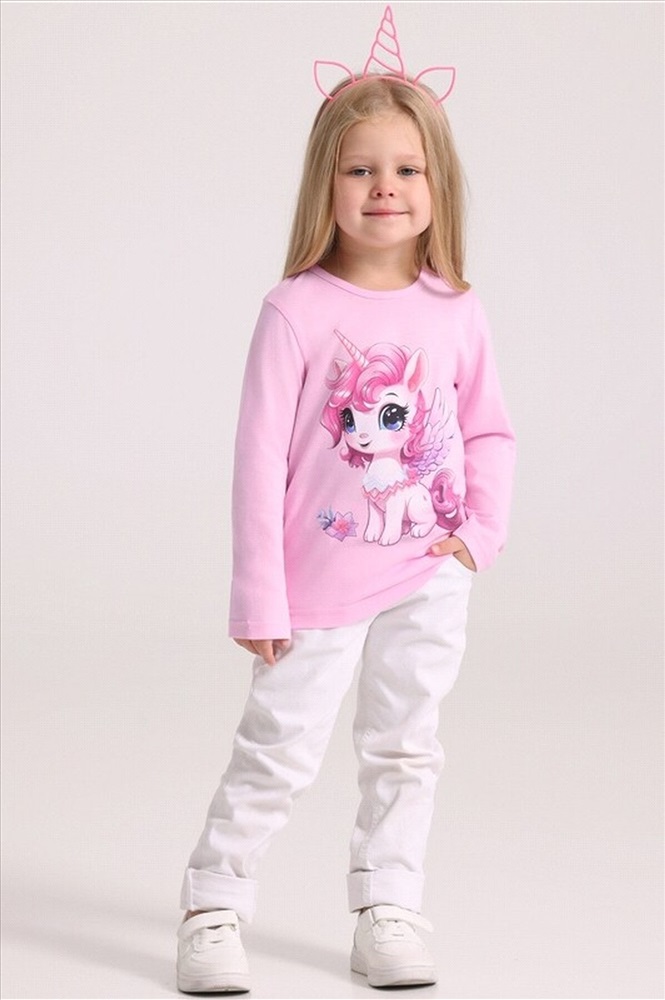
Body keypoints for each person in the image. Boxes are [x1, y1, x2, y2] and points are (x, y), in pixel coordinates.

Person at [176, 11, 516, 993]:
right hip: (315, 583)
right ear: (324, 184)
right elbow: (257, 462)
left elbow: (489, 430)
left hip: (427, 573)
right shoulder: (294, 310)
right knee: (279, 750)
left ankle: (387, 905)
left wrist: (475, 534)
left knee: (405, 747)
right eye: (360, 169)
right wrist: (258, 594)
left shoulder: (455, 308)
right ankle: (212, 904)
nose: (384, 188)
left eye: (406, 169)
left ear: (436, 185)